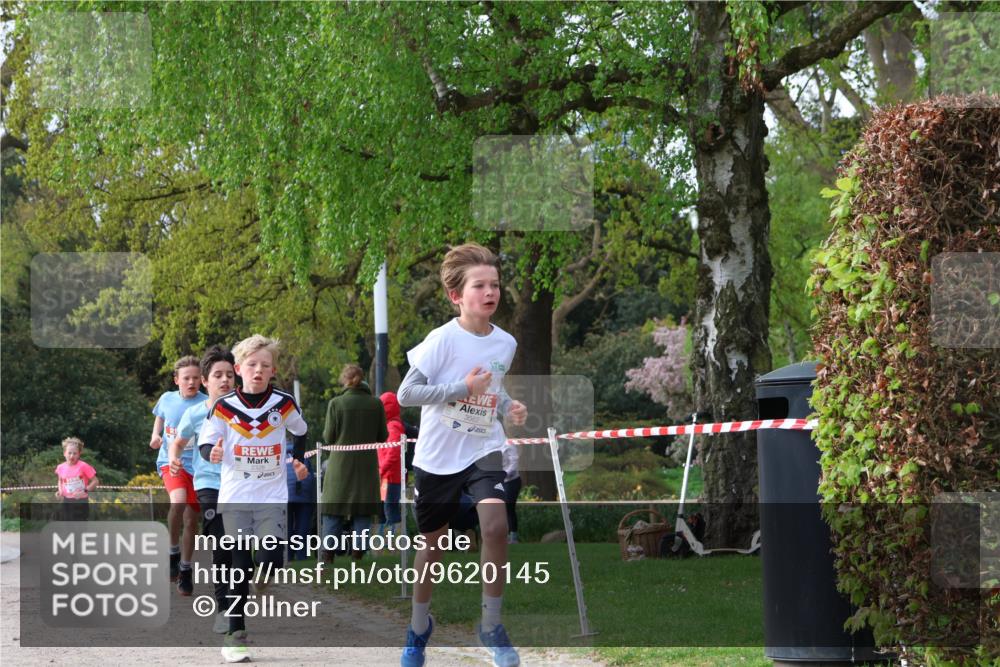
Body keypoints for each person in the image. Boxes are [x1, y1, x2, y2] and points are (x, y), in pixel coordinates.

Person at [397, 243, 528, 667]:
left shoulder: (505, 343)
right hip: (438, 457)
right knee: (432, 546)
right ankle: (419, 627)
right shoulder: (442, 340)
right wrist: (461, 389)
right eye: (480, 285)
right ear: (456, 295)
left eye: (495, 285)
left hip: (483, 448)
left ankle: (491, 625)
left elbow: (493, 389)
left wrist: (508, 406)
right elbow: (406, 394)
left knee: (495, 526)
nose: (491, 292)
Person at [198, 334, 309, 663]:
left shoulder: (283, 404)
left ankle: (264, 574)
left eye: (265, 365)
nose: (258, 370)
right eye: (251, 364)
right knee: (239, 564)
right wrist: (212, 452)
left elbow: (301, 431)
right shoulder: (223, 406)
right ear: (238, 369)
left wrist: (298, 460)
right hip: (235, 495)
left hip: (271, 495)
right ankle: (235, 635)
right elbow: (206, 442)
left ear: (273, 371)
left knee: (271, 558)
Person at [171, 345, 235, 630]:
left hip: (241, 485)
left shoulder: (245, 412)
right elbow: (179, 442)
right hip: (208, 483)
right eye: (218, 375)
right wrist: (174, 458)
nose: (225, 380)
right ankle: (224, 609)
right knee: (221, 544)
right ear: (205, 381)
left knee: (241, 549)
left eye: (230, 375)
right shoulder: (195, 413)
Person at [320, 364, 387, 563]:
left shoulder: (336, 403)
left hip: (340, 465)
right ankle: (358, 556)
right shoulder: (376, 404)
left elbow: (328, 437)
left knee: (333, 510)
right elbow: (382, 436)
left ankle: (327, 556)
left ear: (344, 380)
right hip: (366, 465)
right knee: (363, 511)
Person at [151, 356, 204, 585]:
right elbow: (160, 417)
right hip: (171, 462)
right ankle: (173, 550)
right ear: (176, 380)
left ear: (202, 380)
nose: (191, 382)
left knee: (191, 521)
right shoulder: (167, 399)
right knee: (178, 501)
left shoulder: (207, 403)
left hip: (198, 467)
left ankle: (185, 567)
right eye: (186, 378)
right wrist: (156, 435)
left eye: (195, 378)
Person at [378, 391, 405, 547]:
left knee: (390, 510)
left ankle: (395, 545)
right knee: (386, 509)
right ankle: (388, 545)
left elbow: (393, 453)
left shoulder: (393, 426)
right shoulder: (389, 425)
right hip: (386, 477)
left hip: (390, 477)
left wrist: (381, 470)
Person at [286, 434, 316, 561]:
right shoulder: (305, 454)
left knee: (286, 525)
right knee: (303, 525)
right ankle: (301, 555)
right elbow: (312, 477)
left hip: (285, 492)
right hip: (304, 491)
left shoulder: (279, 454)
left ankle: (287, 554)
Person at [54, 437, 98, 521]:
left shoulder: (84, 466)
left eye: (75, 453)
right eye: (69, 453)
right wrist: (60, 491)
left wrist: (84, 491)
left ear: (79, 454)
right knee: (68, 526)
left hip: (81, 501)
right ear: (64, 453)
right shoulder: (60, 467)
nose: (72, 456)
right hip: (67, 501)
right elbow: (60, 480)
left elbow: (95, 481)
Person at [501, 441, 521, 544]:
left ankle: (513, 537)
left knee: (509, 507)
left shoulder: (509, 444)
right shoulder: (490, 444)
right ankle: (504, 536)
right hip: (497, 480)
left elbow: (514, 462)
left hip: (511, 481)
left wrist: (504, 474)